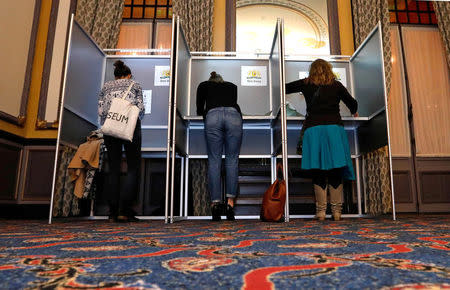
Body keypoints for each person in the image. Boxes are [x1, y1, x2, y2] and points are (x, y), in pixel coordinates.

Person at [285, 59, 358, 221]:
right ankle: (337, 212)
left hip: (313, 130)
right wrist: (354, 111)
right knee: (335, 168)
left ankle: (321, 212)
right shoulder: (336, 85)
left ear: (312, 71)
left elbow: (284, 87)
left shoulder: (306, 83)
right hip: (334, 130)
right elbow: (353, 104)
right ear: (329, 70)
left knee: (317, 169)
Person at [98, 60, 144, 222]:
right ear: (129, 74)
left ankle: (112, 212)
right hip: (130, 128)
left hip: (110, 128)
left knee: (114, 167)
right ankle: (125, 210)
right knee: (132, 167)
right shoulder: (135, 85)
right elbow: (140, 109)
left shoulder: (105, 86)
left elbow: (101, 110)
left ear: (115, 75)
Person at [196, 71, 243, 221]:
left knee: (214, 160)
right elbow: (234, 104)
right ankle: (230, 205)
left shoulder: (204, 85)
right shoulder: (232, 86)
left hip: (213, 116)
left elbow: (199, 108)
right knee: (232, 160)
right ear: (222, 80)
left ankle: (215, 205)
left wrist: (206, 114)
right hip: (234, 116)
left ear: (210, 79)